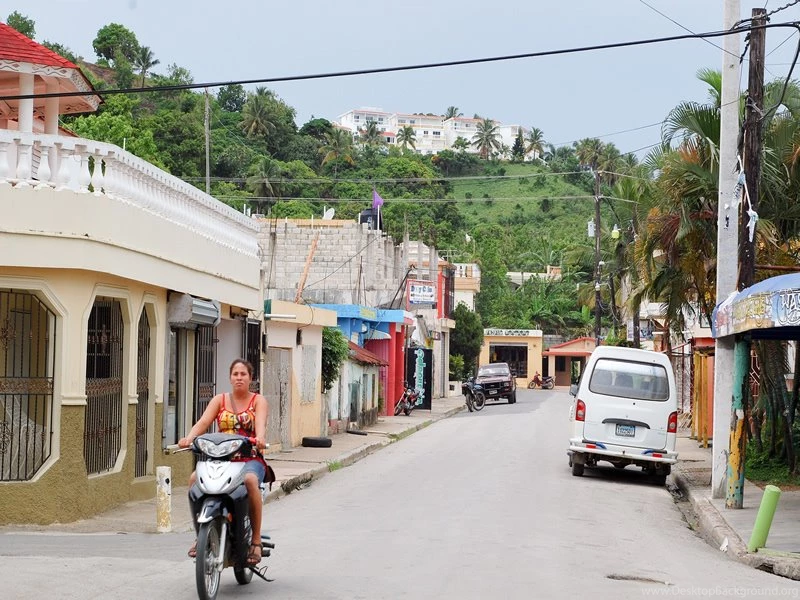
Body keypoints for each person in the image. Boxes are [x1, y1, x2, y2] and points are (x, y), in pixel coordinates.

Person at [179, 358, 268, 566]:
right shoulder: (219, 400)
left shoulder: (258, 401)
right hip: (220, 459)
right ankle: (200, 535)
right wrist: (189, 438)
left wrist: (260, 439)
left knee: (250, 481)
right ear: (230, 378)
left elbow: (261, 425)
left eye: (243, 374)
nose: (239, 378)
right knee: (194, 479)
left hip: (249, 458)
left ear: (251, 378)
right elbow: (203, 422)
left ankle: (256, 541)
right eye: (235, 374)